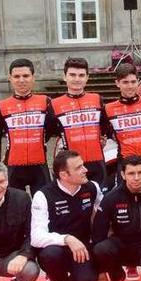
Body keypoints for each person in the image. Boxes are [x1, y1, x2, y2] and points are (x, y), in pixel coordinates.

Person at [31, 150, 102, 281]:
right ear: (64, 174)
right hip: (56, 247)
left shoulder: (92, 188)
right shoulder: (43, 195)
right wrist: (67, 239)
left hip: (83, 247)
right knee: (49, 256)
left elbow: (101, 216)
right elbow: (36, 236)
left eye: (83, 165)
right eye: (79, 168)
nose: (85, 170)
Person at [0, 58, 53, 194]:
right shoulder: (0, 107)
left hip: (40, 167)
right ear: (10, 78)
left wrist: (39, 140)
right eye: (16, 76)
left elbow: (52, 129)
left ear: (33, 78)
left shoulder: (46, 102)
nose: (21, 80)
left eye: (26, 76)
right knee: (15, 209)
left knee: (43, 207)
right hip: (13, 167)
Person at [48, 57, 108, 186]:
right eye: (72, 75)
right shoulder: (54, 104)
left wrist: (103, 137)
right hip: (71, 165)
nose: (77, 79)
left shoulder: (97, 99)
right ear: (65, 77)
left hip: (97, 161)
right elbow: (50, 131)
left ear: (87, 78)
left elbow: (105, 125)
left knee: (98, 202)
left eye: (81, 75)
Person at [104, 63, 141, 187]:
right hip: (125, 163)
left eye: (133, 82)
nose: (130, 86)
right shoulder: (108, 109)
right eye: (125, 82)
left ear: (138, 81)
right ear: (117, 83)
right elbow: (104, 133)